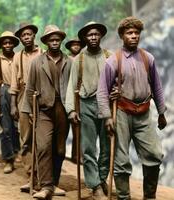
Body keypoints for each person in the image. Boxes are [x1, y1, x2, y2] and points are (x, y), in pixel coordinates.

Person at [97, 16, 167, 200]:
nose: (134, 36)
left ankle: (149, 196)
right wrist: (107, 117)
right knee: (120, 159)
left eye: (136, 33)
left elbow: (157, 87)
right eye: (129, 33)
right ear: (122, 36)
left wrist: (161, 112)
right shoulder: (114, 60)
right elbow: (102, 91)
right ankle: (124, 196)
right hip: (121, 112)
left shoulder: (147, 58)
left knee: (154, 154)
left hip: (144, 113)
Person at [21, 24, 72, 199]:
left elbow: (74, 88)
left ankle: (54, 183)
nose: (55, 42)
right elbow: (29, 89)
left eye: (58, 39)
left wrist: (73, 110)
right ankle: (45, 186)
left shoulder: (68, 62)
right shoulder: (37, 62)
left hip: (63, 110)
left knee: (59, 149)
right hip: (43, 109)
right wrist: (29, 111)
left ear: (61, 41)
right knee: (43, 147)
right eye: (52, 40)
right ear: (46, 42)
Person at [65, 21, 111, 199]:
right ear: (85, 37)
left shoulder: (109, 56)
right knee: (89, 148)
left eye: (96, 34)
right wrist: (71, 110)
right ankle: (95, 185)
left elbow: (117, 81)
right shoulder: (79, 59)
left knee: (107, 147)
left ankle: (101, 178)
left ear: (101, 36)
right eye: (90, 35)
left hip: (106, 105)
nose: (93, 37)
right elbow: (71, 86)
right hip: (87, 104)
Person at [10, 22, 43, 176]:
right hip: (23, 97)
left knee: (42, 137)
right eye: (23, 35)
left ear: (34, 36)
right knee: (26, 136)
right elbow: (13, 83)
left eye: (29, 34)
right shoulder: (18, 57)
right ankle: (30, 173)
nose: (27, 37)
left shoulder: (43, 53)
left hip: (42, 97)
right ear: (20, 39)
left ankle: (42, 172)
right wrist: (13, 105)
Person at [0, 31, 20, 173]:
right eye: (5, 43)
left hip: (20, 93)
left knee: (20, 128)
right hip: (4, 93)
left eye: (10, 42)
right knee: (6, 129)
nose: (8, 45)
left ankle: (21, 154)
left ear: (14, 44)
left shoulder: (19, 57)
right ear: (1, 45)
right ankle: (8, 159)